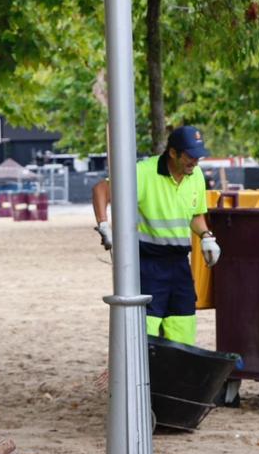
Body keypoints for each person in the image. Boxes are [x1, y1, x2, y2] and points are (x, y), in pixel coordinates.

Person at [91, 126, 220, 346]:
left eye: (198, 156)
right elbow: (101, 189)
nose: (195, 162)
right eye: (190, 156)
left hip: (180, 264)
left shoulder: (196, 174)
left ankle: (177, 378)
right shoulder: (143, 172)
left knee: (183, 328)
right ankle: (147, 379)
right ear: (172, 152)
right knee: (145, 335)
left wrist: (206, 236)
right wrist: (104, 225)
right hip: (148, 265)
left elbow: (195, 214)